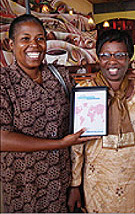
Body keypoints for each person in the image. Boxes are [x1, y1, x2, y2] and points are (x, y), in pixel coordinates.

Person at [0, 14, 97, 213]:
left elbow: (88, 94)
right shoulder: (4, 82)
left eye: (40, 38)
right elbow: (2, 138)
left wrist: (122, 74)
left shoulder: (59, 75)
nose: (34, 45)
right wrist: (60, 144)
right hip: (22, 185)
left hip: (61, 181)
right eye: (25, 39)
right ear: (11, 44)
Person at [68, 29, 135, 213]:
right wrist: (75, 185)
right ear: (98, 58)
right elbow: (77, 143)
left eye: (120, 55)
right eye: (105, 55)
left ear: (129, 58)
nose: (112, 61)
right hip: (98, 181)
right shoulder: (85, 90)